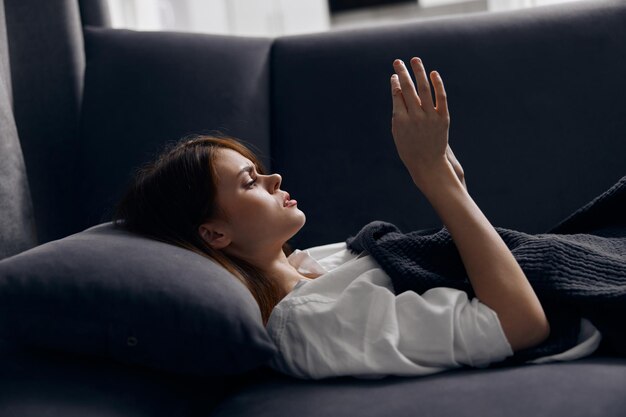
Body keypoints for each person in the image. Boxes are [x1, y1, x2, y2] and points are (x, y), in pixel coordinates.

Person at [114, 57, 600, 380]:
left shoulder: (315, 262)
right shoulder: (306, 324)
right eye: (249, 181)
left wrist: (452, 182)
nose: (274, 179)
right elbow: (517, 325)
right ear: (214, 233)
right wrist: (437, 183)